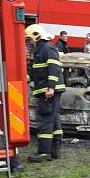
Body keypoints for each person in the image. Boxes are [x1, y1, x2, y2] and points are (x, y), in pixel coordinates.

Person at [25, 24, 65, 162]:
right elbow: (36, 71)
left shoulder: (47, 48)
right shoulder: (41, 50)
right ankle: (55, 152)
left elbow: (54, 67)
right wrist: (26, 78)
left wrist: (51, 88)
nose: (29, 43)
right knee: (53, 120)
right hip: (47, 89)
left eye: (29, 39)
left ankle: (44, 153)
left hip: (49, 91)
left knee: (45, 119)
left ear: (36, 36)